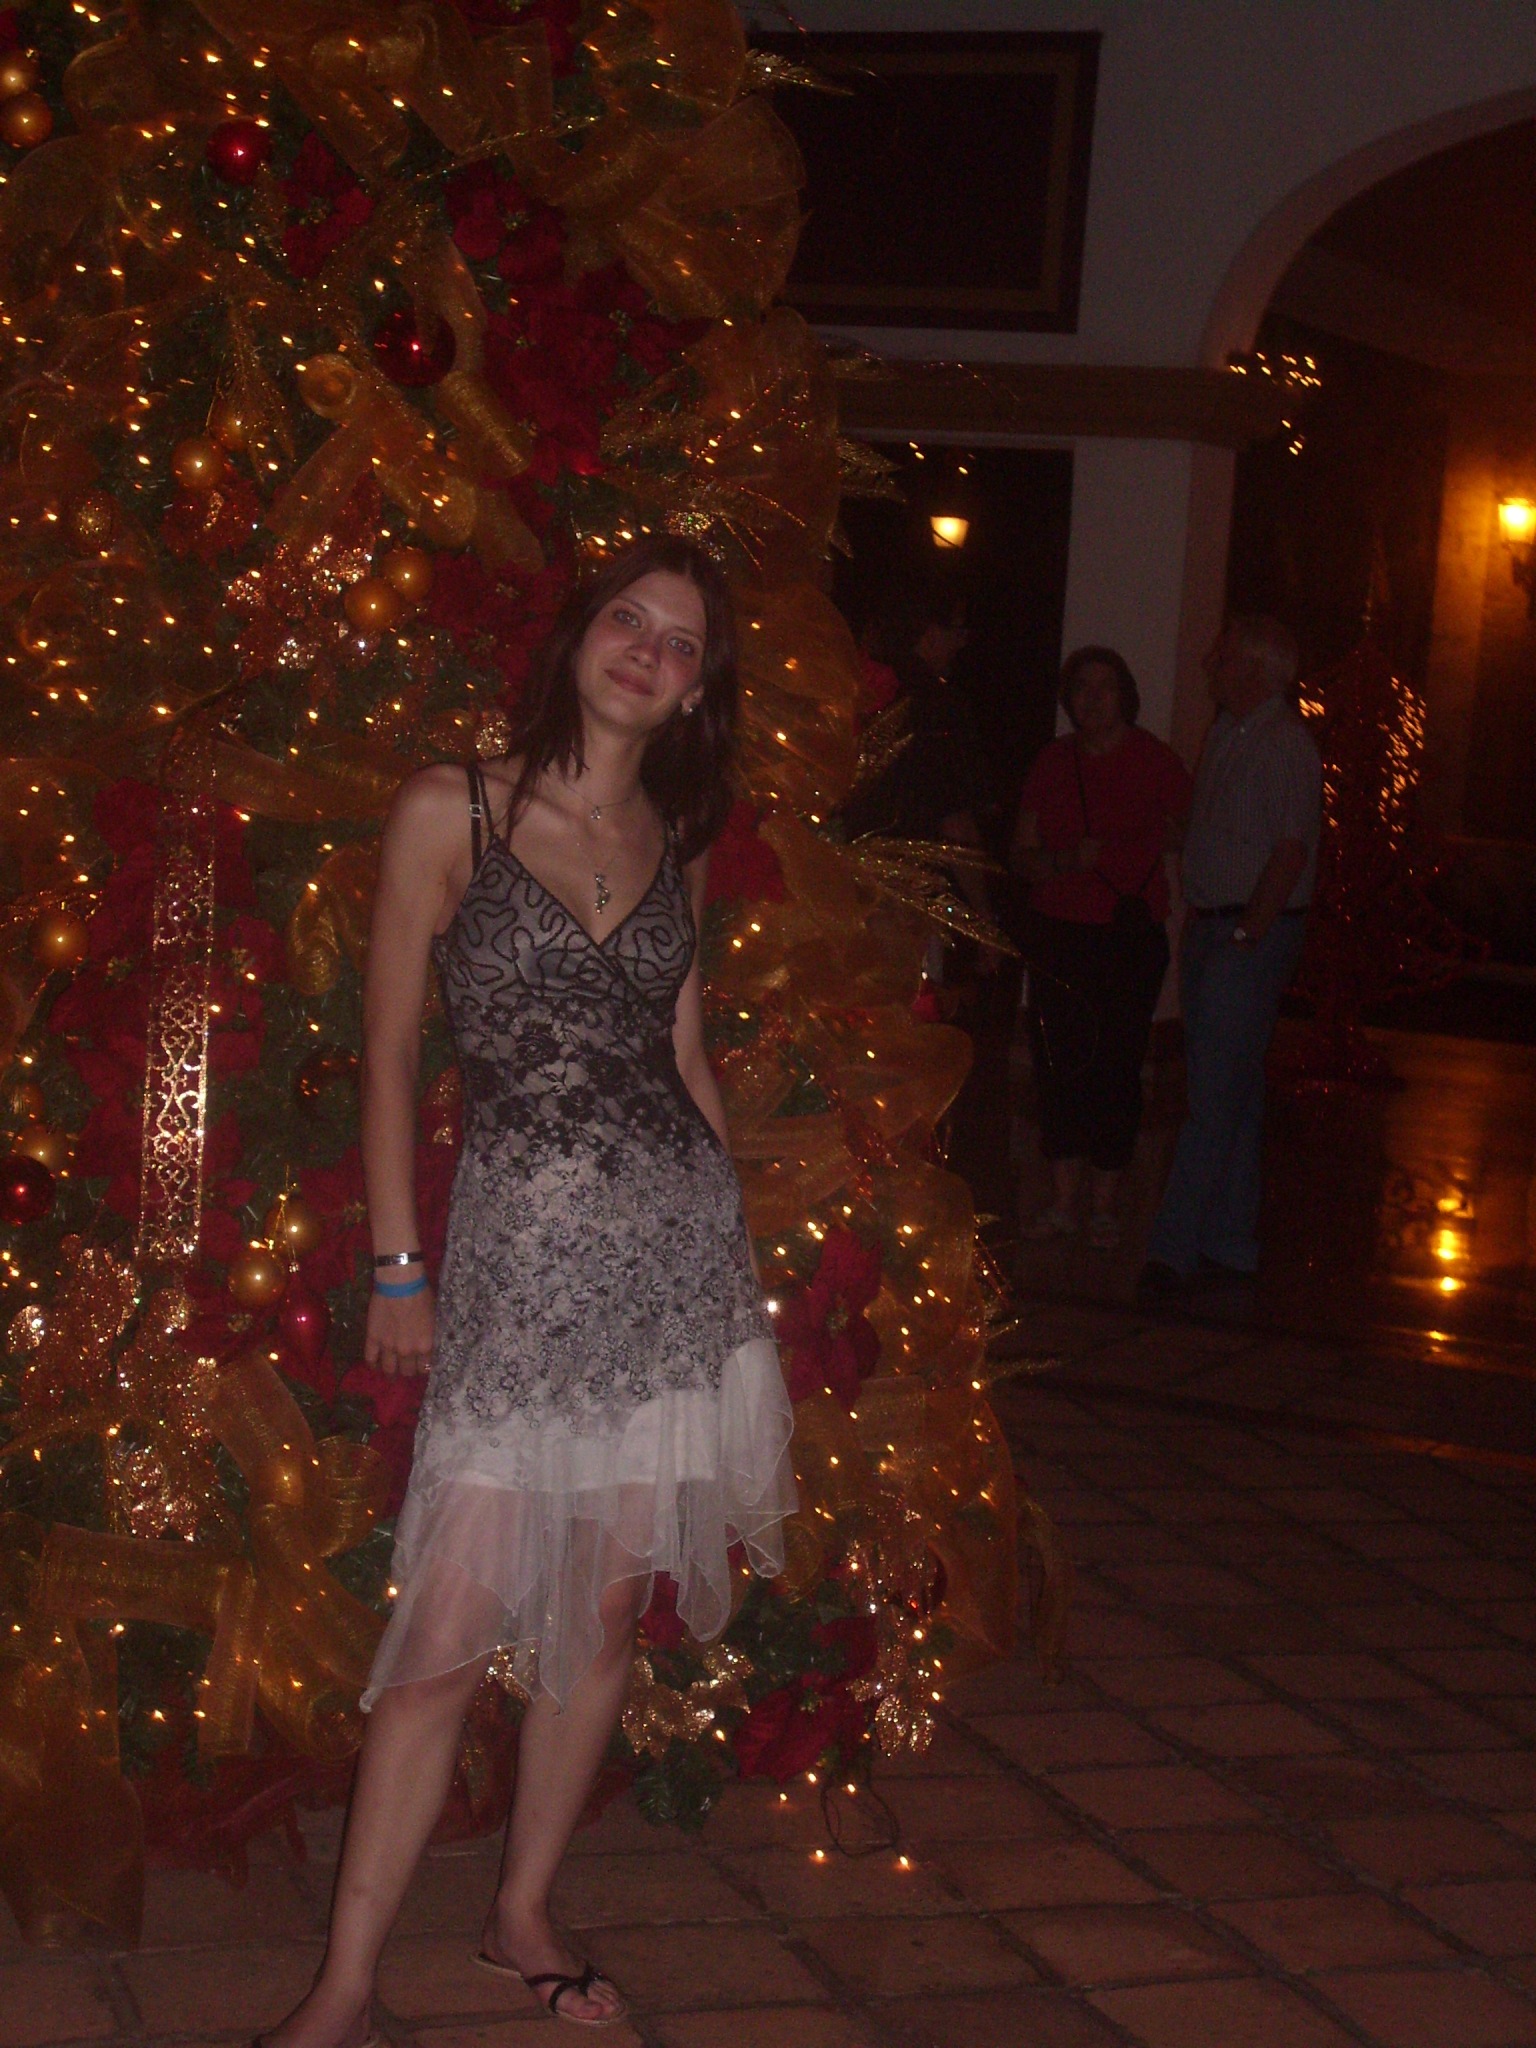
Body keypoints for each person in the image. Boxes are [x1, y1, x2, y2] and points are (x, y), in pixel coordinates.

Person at [259, 536, 795, 2045]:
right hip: (519, 1262)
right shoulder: (457, 805)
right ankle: (345, 1986)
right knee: (444, 1631)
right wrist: (397, 1261)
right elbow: (388, 1050)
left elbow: (685, 1053)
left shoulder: (678, 831)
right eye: (629, 619)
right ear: (579, 636)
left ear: (697, 691)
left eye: (681, 643)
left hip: (671, 1257)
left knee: (608, 1609)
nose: (647, 651)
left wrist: (734, 1257)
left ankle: (522, 1914)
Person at [1141, 612, 1322, 1295]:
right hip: (1215, 928)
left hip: (1248, 934)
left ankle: (1172, 1250)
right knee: (1234, 1094)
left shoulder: (1285, 743)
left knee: (1211, 1100)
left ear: (1254, 669)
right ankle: (1229, 1241)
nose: (1209, 666)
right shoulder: (1227, 732)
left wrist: (1248, 934)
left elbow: (1290, 851)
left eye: (1221, 656)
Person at [1010, 647, 1192, 1248]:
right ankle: (1065, 1201)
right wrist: (1067, 861)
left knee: (1118, 1065)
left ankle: (1107, 1204)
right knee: (1060, 1064)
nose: (1092, 699)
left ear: (1125, 695)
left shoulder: (1155, 760)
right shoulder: (1052, 762)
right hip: (1059, 932)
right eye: (1081, 687)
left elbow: (1190, 829)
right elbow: (1022, 854)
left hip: (1126, 934)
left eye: (1104, 687)